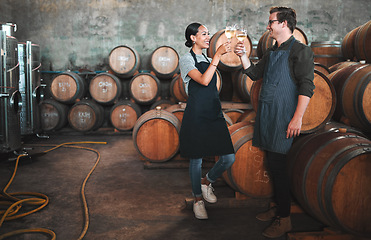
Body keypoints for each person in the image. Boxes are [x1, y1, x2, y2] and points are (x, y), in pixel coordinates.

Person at [234, 7, 315, 238]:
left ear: (284, 24)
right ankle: (279, 207)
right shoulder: (271, 52)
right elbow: (253, 73)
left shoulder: (301, 51)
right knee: (272, 164)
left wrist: (297, 117)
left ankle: (285, 218)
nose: (268, 26)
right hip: (268, 114)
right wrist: (242, 56)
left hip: (284, 116)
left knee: (279, 168)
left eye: (271, 22)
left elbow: (307, 86)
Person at [179, 23, 235, 220]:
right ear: (193, 38)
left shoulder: (209, 59)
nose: (208, 37)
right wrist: (217, 57)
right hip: (196, 114)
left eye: (209, 34)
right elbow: (203, 80)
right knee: (196, 159)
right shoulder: (186, 60)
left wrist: (236, 49)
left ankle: (206, 181)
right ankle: (197, 200)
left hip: (213, 112)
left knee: (229, 157)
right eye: (204, 34)